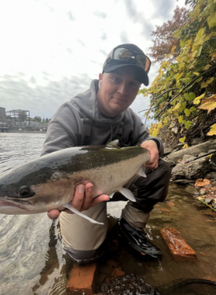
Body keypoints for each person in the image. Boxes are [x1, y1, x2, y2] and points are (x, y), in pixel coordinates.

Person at [41, 43, 171, 264]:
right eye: (116, 79)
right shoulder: (70, 114)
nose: (123, 90)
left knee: (160, 170)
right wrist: (56, 200)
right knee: (83, 256)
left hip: (116, 180)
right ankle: (71, 224)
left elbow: (147, 139)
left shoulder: (128, 117)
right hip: (82, 196)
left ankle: (130, 227)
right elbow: (50, 163)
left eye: (132, 84)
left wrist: (153, 143)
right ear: (101, 78)